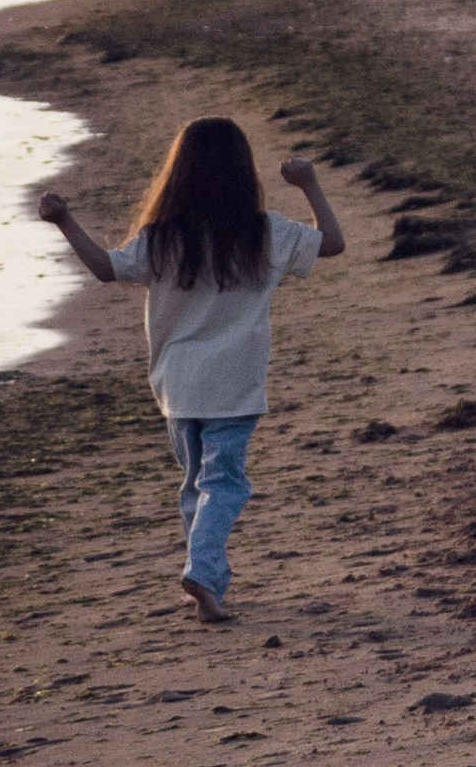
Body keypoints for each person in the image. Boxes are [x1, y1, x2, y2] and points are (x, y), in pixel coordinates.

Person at [39, 119, 343, 626]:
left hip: (178, 382)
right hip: (235, 381)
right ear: (244, 172)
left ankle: (207, 587)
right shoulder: (265, 231)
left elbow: (105, 268)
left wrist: (65, 221)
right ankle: (202, 573)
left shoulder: (162, 238)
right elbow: (331, 242)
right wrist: (309, 184)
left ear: (178, 174)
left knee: (195, 485)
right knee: (224, 483)